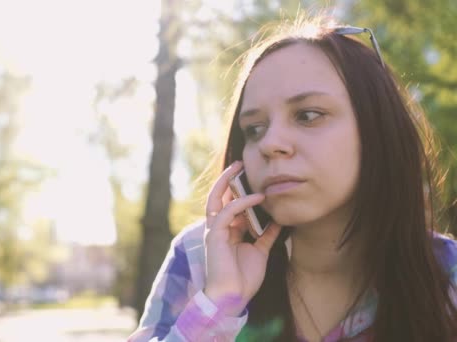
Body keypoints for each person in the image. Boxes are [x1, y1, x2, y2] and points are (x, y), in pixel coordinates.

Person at [127, 14, 457, 342]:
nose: (270, 143)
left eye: (308, 115)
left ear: (378, 130)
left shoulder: (446, 274)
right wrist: (217, 305)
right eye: (254, 129)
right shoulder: (201, 257)